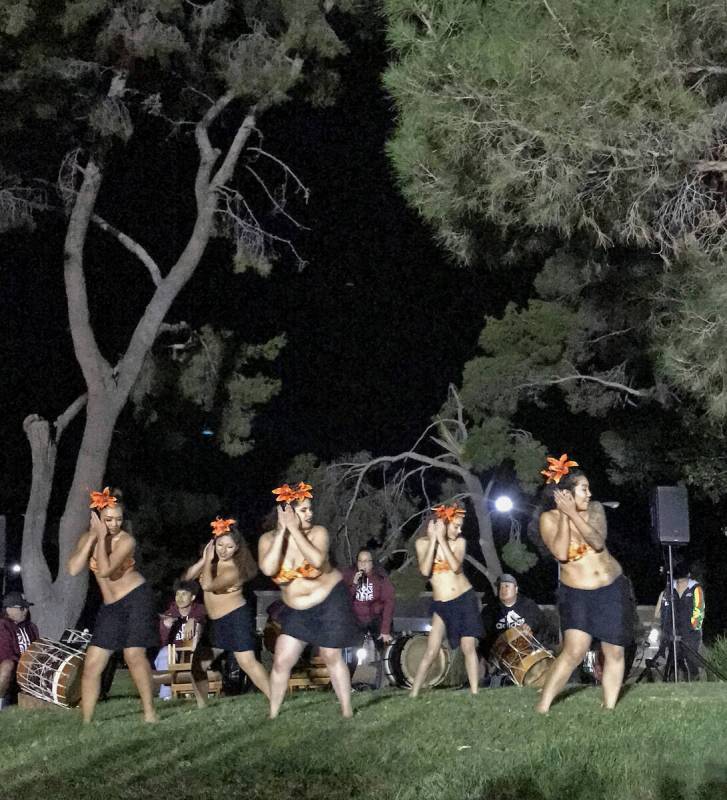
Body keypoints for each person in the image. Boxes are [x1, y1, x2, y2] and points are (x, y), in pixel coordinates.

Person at [534, 455, 633, 713]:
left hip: (611, 588)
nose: (589, 494)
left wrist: (575, 514)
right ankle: (542, 708)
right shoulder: (549, 519)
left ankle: (608, 710)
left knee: (615, 652)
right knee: (574, 651)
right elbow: (561, 554)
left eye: (589, 488)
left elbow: (597, 541)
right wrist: (565, 515)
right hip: (577, 594)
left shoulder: (596, 509)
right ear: (564, 494)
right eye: (583, 489)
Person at [258, 482, 359, 719]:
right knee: (282, 659)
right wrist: (284, 532)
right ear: (288, 512)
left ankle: (347, 712)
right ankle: (272, 715)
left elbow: (315, 561)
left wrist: (295, 531)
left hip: (329, 602)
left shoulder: (318, 533)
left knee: (330, 655)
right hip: (297, 609)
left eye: (310, 508)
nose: (310, 513)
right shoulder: (267, 540)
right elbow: (268, 568)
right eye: (304, 510)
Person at [67, 487, 159, 723]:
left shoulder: (126, 540)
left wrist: (100, 540)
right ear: (97, 518)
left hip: (136, 598)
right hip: (111, 607)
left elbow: (106, 570)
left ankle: (149, 712)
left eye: (118, 519)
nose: (114, 524)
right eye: (108, 519)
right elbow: (73, 569)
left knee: (133, 655)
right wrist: (92, 539)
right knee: (93, 662)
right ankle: (87, 722)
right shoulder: (88, 538)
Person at [184, 517, 270, 707]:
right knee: (198, 666)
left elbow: (207, 585)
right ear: (213, 543)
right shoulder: (210, 565)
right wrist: (204, 559)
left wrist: (207, 561)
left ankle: (275, 699)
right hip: (216, 623)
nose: (223, 550)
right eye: (220, 545)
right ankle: (202, 707)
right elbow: (187, 578)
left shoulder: (234, 569)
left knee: (247, 662)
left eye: (229, 547)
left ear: (237, 548)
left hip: (236, 618)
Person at [409, 503, 483, 697]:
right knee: (432, 649)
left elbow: (456, 567)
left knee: (468, 646)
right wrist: (434, 540)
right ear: (442, 523)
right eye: (455, 526)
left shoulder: (459, 543)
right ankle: (414, 693)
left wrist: (443, 540)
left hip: (464, 598)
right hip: (441, 603)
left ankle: (475, 693)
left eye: (460, 527)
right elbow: (425, 571)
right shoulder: (422, 543)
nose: (459, 530)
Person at [342, 548, 396, 687]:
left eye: (367, 561)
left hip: (375, 617)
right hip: (356, 619)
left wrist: (385, 630)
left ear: (372, 563)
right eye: (360, 561)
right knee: (351, 653)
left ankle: (390, 682)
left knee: (386, 650)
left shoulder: (380, 577)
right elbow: (344, 600)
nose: (363, 564)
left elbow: (389, 602)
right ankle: (345, 685)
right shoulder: (349, 576)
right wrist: (354, 584)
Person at [154, 579, 207, 699]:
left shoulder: (199, 610)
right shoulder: (170, 614)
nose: (180, 598)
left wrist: (193, 619)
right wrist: (166, 627)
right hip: (174, 653)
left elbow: (204, 613)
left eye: (184, 594)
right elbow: (161, 642)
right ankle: (166, 696)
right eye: (178, 594)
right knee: (164, 653)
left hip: (194, 652)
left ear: (192, 597)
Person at [653, 559, 705, 681]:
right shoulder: (668, 590)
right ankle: (674, 683)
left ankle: (695, 679)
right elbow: (658, 614)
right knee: (674, 662)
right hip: (672, 633)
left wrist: (692, 630)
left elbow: (699, 611)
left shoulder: (696, 589)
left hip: (690, 634)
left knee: (691, 659)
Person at [481, 574, 545, 660]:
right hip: (501, 656)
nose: (503, 589)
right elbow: (484, 635)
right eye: (500, 587)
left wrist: (529, 626)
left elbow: (538, 622)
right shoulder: (490, 609)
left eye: (507, 586)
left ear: (516, 589)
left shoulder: (527, 605)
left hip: (527, 653)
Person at [0, 592, 40, 709]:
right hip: (10, 671)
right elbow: (5, 655)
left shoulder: (31, 627)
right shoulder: (2, 626)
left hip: (25, 670)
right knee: (8, 664)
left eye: (26, 607)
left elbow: (36, 649)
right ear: (8, 609)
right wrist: (25, 663)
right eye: (22, 608)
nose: (26, 611)